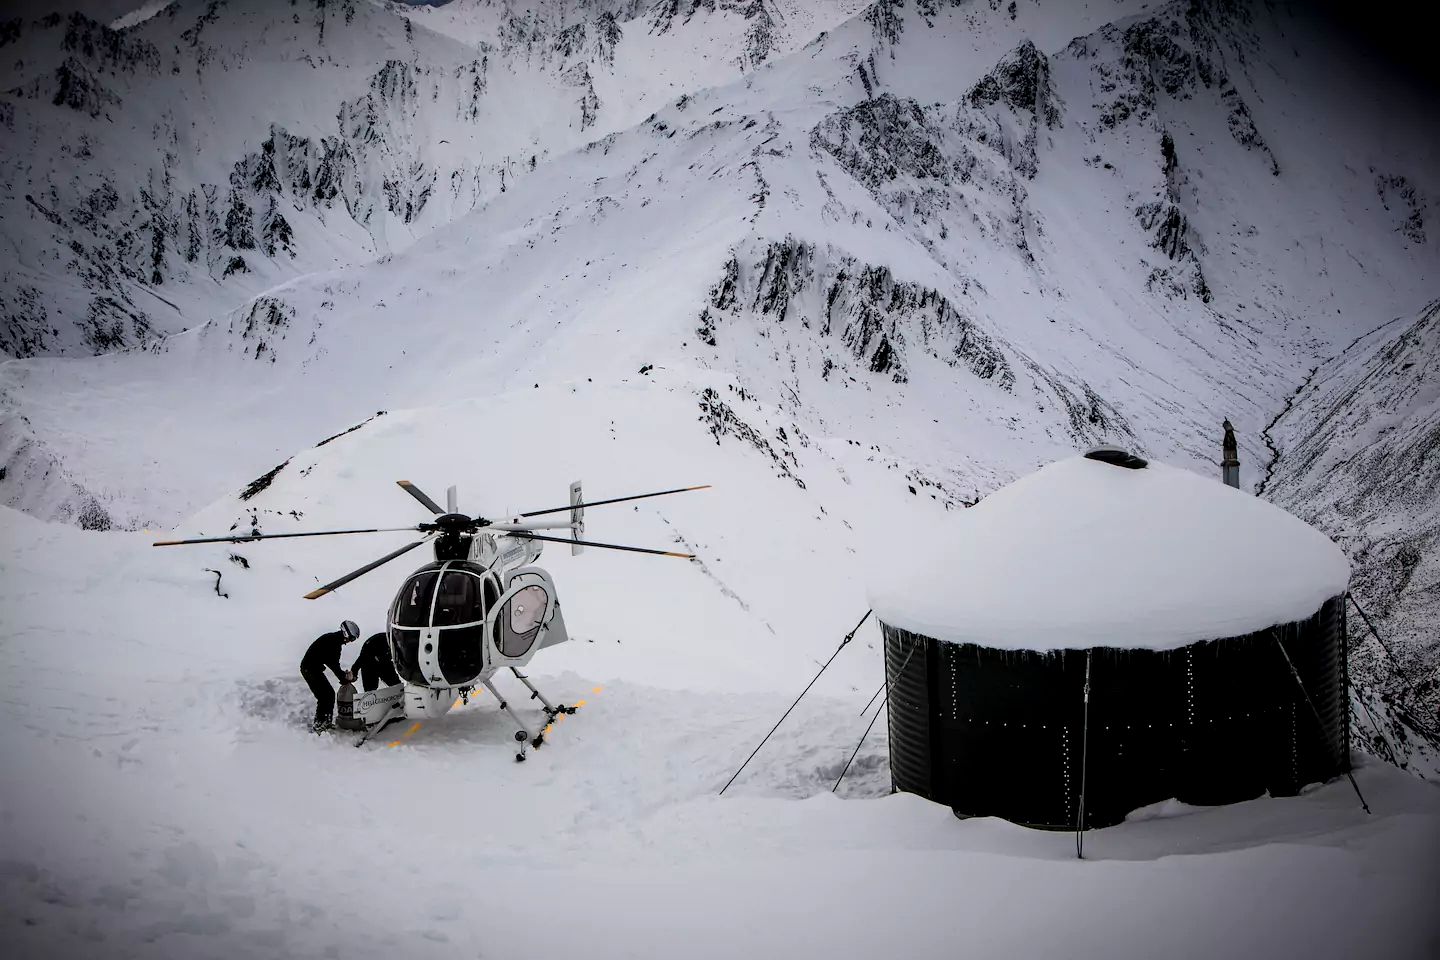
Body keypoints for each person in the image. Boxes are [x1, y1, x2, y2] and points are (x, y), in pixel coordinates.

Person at [301, 619, 360, 732]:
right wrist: (344, 678)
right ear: (346, 633)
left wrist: (343, 677)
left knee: (328, 695)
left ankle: (325, 723)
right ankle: (320, 725)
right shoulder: (333, 642)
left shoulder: (334, 640)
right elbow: (334, 665)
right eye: (352, 638)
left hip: (313, 669)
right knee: (325, 696)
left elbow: (334, 664)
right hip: (309, 669)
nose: (351, 641)